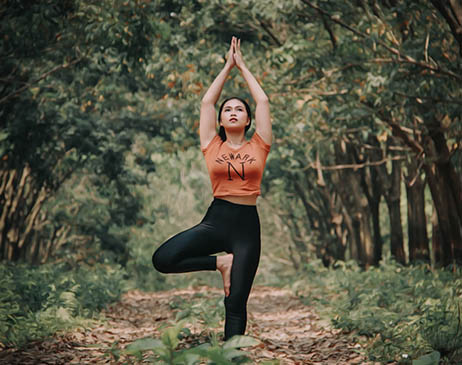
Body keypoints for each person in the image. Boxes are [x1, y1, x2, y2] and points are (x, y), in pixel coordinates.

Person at [152, 36, 272, 341]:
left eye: (239, 110)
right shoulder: (211, 146)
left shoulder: (259, 145)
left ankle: (230, 358)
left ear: (247, 121)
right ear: (220, 119)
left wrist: (242, 66)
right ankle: (221, 263)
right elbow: (206, 102)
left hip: (247, 227)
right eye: (227, 109)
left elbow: (263, 101)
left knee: (235, 303)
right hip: (217, 220)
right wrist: (226, 66)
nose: (233, 111)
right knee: (163, 259)